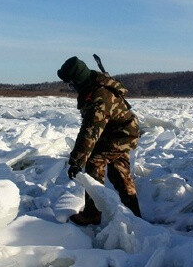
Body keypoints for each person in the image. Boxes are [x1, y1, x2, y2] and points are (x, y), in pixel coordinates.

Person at [57, 56, 141, 225]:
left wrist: (76, 161)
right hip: (119, 132)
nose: (71, 88)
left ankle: (92, 213)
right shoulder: (94, 86)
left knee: (94, 163)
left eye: (71, 84)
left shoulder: (99, 98)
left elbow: (90, 131)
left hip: (121, 135)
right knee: (119, 172)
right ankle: (134, 216)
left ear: (78, 80)